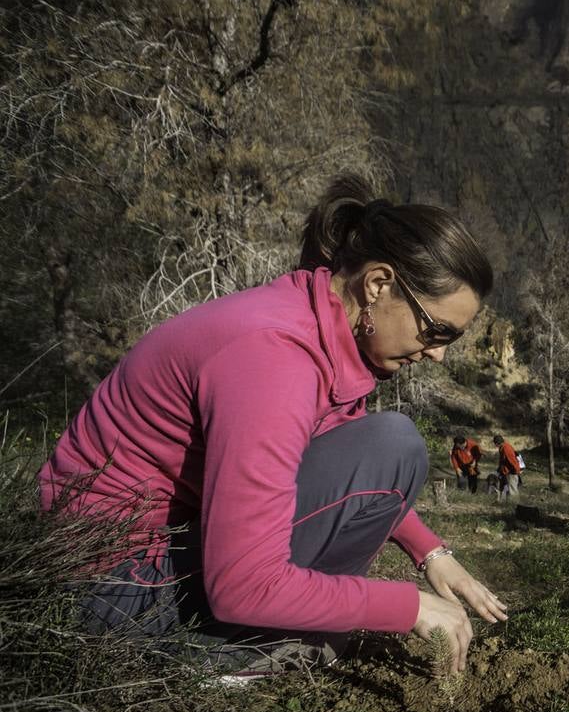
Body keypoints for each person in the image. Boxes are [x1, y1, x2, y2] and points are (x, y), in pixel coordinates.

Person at [38, 174, 508, 676]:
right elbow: (242, 581)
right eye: (436, 330)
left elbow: (347, 470)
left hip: (151, 555)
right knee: (394, 442)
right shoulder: (274, 360)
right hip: (108, 588)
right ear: (377, 284)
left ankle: (284, 633)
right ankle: (229, 653)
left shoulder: (318, 320)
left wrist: (430, 552)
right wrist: (407, 607)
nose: (437, 354)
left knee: (389, 449)